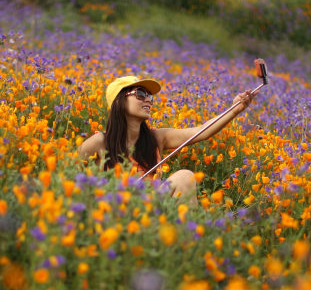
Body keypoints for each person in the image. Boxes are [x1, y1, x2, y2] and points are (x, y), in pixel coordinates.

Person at [78, 75, 255, 207]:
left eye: (149, 96)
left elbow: (201, 132)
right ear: (119, 101)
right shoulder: (100, 141)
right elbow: (68, 172)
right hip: (115, 214)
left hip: (153, 211)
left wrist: (234, 110)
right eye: (140, 94)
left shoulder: (157, 138)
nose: (148, 99)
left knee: (184, 177)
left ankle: (188, 247)